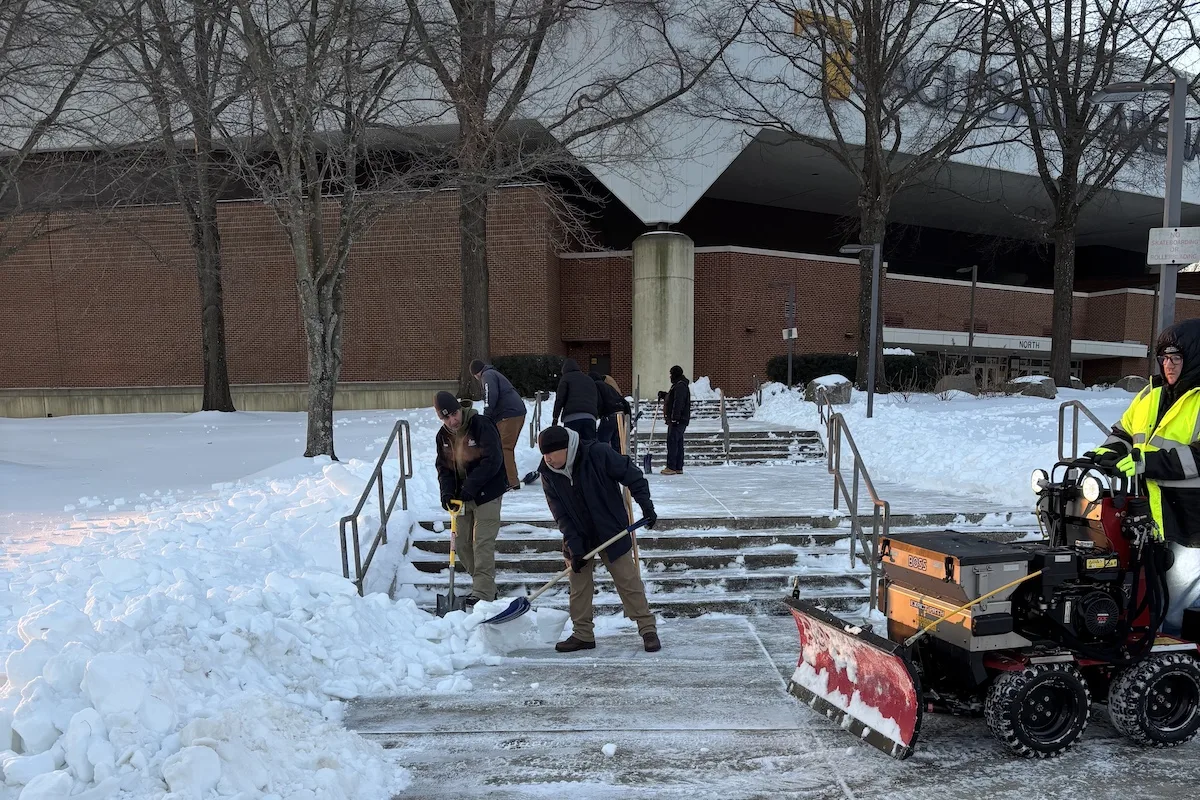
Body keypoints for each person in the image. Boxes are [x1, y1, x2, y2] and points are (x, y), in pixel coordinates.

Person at [1085, 319, 1200, 635]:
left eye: (1176, 358)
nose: (1168, 365)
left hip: (1191, 523)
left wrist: (1145, 462)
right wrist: (1104, 454)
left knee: (1177, 607)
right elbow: (1123, 433)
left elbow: (1197, 458)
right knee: (1147, 598)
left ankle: (1180, 666)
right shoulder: (1151, 395)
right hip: (1152, 517)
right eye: (1163, 358)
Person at [537, 425, 661, 653]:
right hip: (578, 533)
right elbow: (560, 513)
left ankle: (647, 629)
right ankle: (583, 634)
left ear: (567, 449)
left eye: (551, 453)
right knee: (578, 584)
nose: (547, 459)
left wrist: (646, 506)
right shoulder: (548, 473)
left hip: (611, 529)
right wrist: (574, 546)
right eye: (543, 454)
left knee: (628, 580)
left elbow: (632, 476)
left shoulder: (598, 454)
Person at [433, 390, 507, 607]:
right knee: (463, 544)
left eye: (454, 414)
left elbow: (492, 460)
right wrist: (447, 492)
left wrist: (471, 486)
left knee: (481, 542)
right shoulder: (443, 436)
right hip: (462, 498)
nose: (452, 421)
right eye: (446, 418)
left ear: (459, 409)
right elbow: (444, 468)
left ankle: (483, 593)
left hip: (488, 493)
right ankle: (485, 585)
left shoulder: (481, 425)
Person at [470, 359, 527, 491]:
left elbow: (491, 396)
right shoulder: (493, 373)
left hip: (509, 414)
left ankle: (511, 481)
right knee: (505, 447)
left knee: (504, 448)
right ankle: (508, 479)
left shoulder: (487, 376)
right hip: (515, 412)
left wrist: (486, 417)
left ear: (476, 374)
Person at [552, 358, 598, 441]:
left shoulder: (566, 378)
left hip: (572, 418)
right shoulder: (589, 379)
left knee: (573, 445)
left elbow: (560, 399)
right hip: (590, 417)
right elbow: (595, 398)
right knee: (590, 445)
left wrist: (555, 418)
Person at [661, 365, 691, 476]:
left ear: (674, 374)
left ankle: (672, 466)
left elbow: (678, 403)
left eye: (671, 374)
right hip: (680, 420)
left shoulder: (680, 386)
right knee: (678, 442)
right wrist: (665, 395)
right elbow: (673, 398)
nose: (670, 376)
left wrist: (675, 418)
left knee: (673, 443)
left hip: (678, 420)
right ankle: (678, 467)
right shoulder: (679, 385)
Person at [591, 370, 631, 453]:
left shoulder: (596, 385)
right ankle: (618, 463)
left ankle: (601, 464)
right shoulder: (609, 387)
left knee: (601, 443)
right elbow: (625, 402)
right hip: (620, 415)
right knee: (617, 446)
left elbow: (599, 402)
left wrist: (597, 414)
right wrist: (629, 421)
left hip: (609, 416)